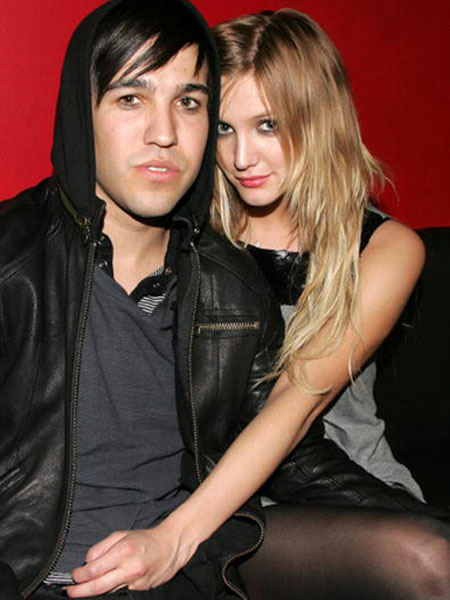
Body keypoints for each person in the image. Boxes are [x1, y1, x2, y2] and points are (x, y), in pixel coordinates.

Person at [0, 0, 284, 598]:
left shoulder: (232, 286)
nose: (165, 133)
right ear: (82, 111)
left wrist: (407, 513)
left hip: (182, 572)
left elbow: (290, 449)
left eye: (189, 102)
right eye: (131, 98)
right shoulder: (11, 261)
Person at [211, 9, 450, 599]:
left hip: (367, 495)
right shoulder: (196, 243)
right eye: (224, 128)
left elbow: (300, 403)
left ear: (317, 117)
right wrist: (177, 533)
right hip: (245, 508)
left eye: (268, 125)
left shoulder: (385, 247)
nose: (242, 157)